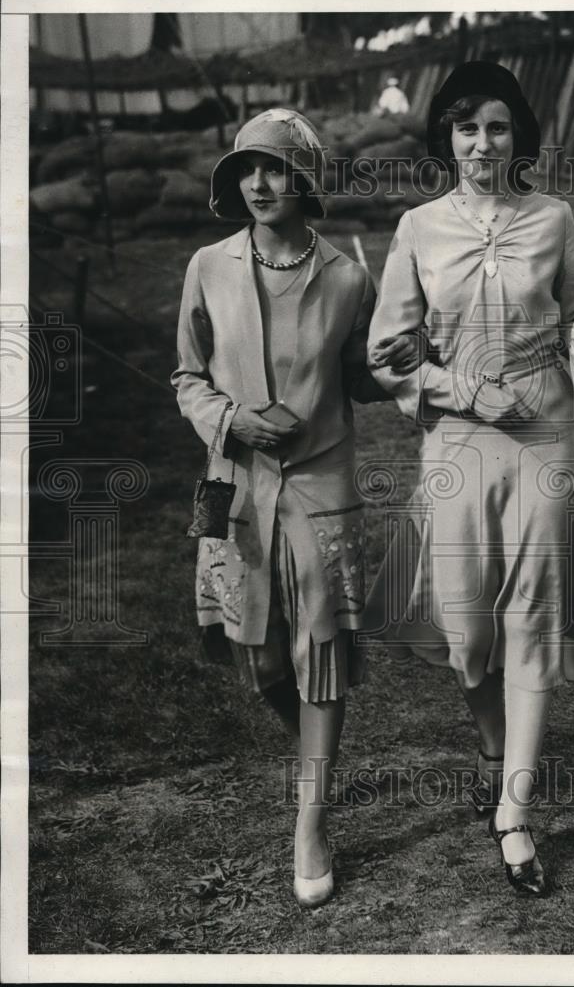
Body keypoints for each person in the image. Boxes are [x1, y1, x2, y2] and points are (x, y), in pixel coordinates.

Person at [365, 62, 574, 896]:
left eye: (496, 127)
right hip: (457, 443)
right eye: (465, 129)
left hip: (545, 442)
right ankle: (493, 751)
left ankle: (515, 810)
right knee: (467, 631)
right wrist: (457, 388)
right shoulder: (417, 228)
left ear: (517, 134)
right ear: (444, 139)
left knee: (532, 620)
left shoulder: (554, 218)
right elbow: (390, 355)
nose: (482, 145)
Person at [171, 108, 419, 908]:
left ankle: (311, 818)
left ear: (305, 179)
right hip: (238, 485)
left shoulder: (348, 277)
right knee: (265, 662)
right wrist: (231, 419)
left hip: (321, 489)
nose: (259, 184)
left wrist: (394, 361)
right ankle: (321, 761)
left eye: (275, 169)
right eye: (246, 170)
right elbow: (187, 378)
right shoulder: (207, 266)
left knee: (320, 652)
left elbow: (357, 380)